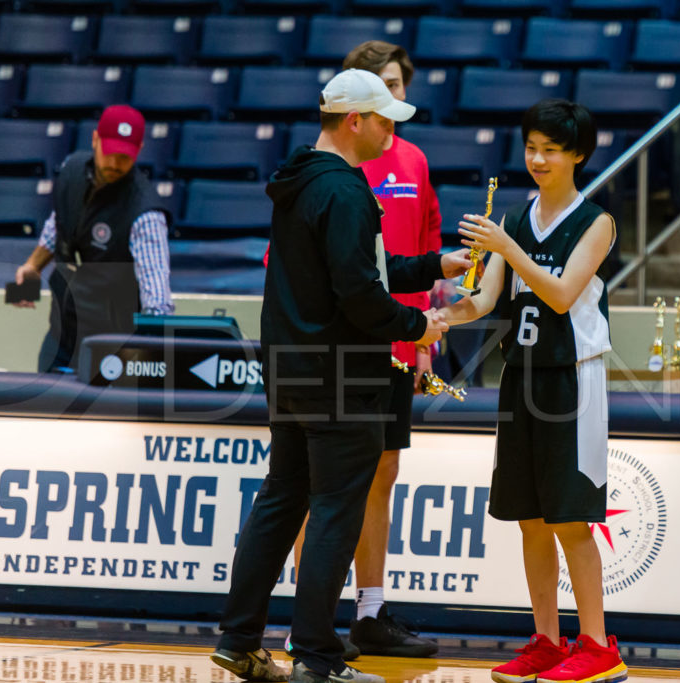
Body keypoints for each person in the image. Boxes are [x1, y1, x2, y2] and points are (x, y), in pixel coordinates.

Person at [210, 69, 470, 683]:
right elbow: (359, 293)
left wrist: (435, 263)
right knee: (334, 510)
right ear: (354, 120)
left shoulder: (300, 181)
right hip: (342, 373)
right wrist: (418, 326)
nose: (390, 132)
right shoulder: (347, 192)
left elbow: (359, 270)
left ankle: (239, 637)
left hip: (290, 368)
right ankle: (319, 659)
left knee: (282, 498)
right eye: (384, 120)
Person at [436, 99, 628, 683]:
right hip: (519, 376)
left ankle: (597, 645)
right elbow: (489, 300)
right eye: (530, 147)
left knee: (571, 518)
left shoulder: (596, 221)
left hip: (573, 376)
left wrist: (507, 247)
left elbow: (564, 293)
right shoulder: (517, 219)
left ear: (578, 155)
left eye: (550, 149)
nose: (537, 159)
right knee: (530, 520)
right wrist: (438, 317)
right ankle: (546, 639)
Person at [286, 39, 441, 660]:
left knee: (383, 472)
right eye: (384, 88)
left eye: (400, 85)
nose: (395, 98)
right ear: (357, 106)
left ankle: (370, 611)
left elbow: (422, 253)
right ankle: (311, 620)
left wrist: (420, 329)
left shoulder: (415, 160)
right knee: (319, 485)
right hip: (339, 351)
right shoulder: (332, 172)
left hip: (397, 340)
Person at [13, 104, 173, 372]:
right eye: (109, 153)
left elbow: (157, 294)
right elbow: (58, 224)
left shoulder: (145, 214)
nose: (114, 164)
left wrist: (152, 357)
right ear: (95, 140)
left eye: (124, 157)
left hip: (112, 344)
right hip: (61, 333)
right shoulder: (71, 170)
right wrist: (32, 266)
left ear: (139, 151)